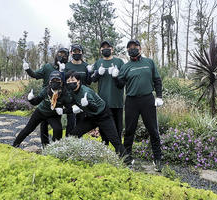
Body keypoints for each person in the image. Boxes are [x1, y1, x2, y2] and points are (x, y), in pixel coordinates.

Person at [112, 39, 164, 171]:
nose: (132, 49)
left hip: (147, 100)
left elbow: (157, 80)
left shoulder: (149, 63)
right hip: (131, 101)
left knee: (153, 130)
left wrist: (159, 96)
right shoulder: (126, 66)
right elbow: (119, 86)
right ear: (128, 51)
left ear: (140, 49)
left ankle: (157, 159)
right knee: (129, 131)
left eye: (135, 47)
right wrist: (115, 77)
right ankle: (127, 158)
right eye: (129, 48)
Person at [66, 71, 125, 156]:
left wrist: (88, 104)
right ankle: (71, 154)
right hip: (91, 117)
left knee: (115, 140)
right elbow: (70, 102)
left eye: (73, 80)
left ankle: (127, 162)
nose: (70, 82)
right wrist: (67, 109)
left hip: (103, 115)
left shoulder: (85, 92)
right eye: (68, 81)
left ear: (78, 81)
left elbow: (95, 108)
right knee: (74, 134)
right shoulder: (71, 91)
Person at [22, 47, 72, 146]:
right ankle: (45, 146)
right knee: (43, 124)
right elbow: (36, 75)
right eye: (60, 53)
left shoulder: (68, 69)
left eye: (65, 54)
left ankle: (55, 146)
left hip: (59, 100)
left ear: (67, 57)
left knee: (57, 127)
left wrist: (63, 73)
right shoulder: (48, 67)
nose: (62, 56)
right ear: (56, 54)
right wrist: (28, 69)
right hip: (46, 98)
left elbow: (67, 85)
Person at [12, 71, 72, 147]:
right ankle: (15, 145)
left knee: (58, 129)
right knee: (28, 129)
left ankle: (55, 148)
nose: (55, 82)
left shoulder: (64, 93)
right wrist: (30, 99)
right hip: (40, 112)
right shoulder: (46, 90)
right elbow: (36, 102)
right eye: (53, 80)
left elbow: (70, 108)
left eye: (57, 81)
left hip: (53, 115)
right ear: (50, 81)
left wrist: (63, 111)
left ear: (61, 82)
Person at [90, 40, 124, 144]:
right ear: (100, 50)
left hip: (117, 102)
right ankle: (105, 152)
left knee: (117, 130)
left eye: (108, 47)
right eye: (103, 47)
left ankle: (118, 153)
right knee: (104, 130)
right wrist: (98, 74)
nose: (106, 49)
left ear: (112, 49)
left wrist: (116, 77)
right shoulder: (98, 63)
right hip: (103, 103)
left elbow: (122, 83)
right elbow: (93, 80)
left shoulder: (119, 62)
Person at [64, 44, 92, 124]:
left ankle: (79, 137)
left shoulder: (86, 66)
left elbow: (89, 82)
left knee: (81, 122)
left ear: (81, 52)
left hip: (82, 97)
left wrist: (90, 73)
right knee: (71, 122)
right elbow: (64, 83)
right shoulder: (67, 66)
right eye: (74, 51)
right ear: (71, 53)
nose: (76, 53)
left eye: (78, 51)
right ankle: (69, 137)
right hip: (70, 98)